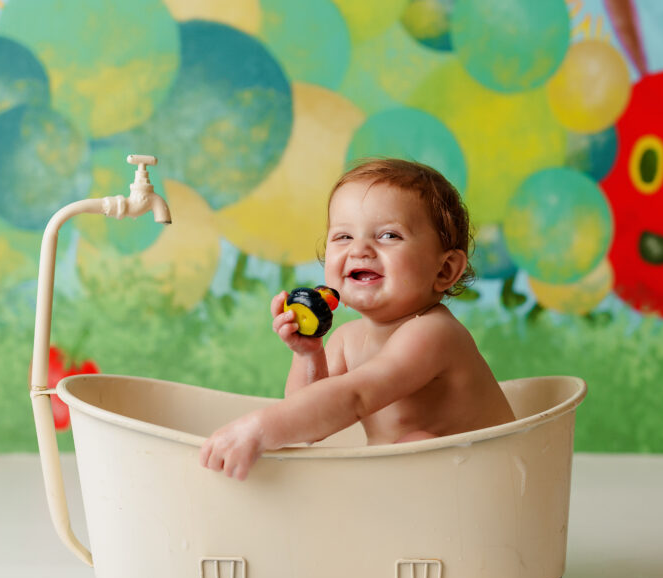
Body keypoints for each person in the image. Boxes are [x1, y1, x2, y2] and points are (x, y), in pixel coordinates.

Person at [199, 158, 515, 480]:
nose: (360, 250)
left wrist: (258, 427)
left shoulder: (433, 332)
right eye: (343, 237)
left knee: (418, 445)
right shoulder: (347, 339)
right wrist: (309, 354)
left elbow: (355, 396)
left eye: (389, 235)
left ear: (445, 269)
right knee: (395, 457)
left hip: (482, 488)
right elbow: (309, 424)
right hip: (406, 497)